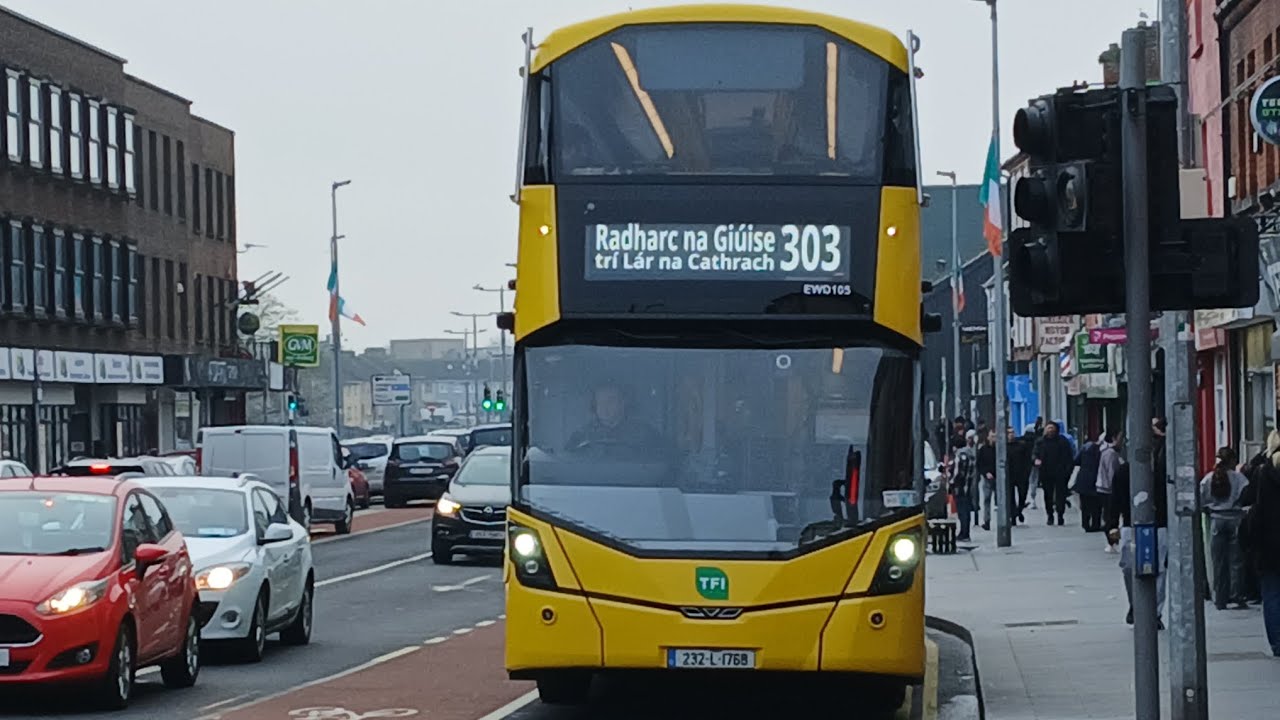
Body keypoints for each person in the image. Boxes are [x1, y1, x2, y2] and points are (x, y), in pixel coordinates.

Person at [1110, 449, 1167, 628]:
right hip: (1130, 525)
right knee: (1129, 568)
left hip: (1160, 525)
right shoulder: (1123, 472)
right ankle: (1136, 605)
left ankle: (1154, 613)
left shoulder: (1161, 472)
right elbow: (1114, 500)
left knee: (1159, 571)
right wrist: (1111, 525)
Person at [1242, 430, 1280, 656]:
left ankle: (1277, 643)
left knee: (1272, 594)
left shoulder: (1263, 473)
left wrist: (1250, 541)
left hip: (1269, 543)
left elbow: (1254, 508)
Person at [1200, 447, 1250, 611]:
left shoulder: (1208, 479)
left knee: (1218, 561)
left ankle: (1220, 598)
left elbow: (1201, 502)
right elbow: (1245, 497)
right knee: (1236, 561)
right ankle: (1237, 596)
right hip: (1235, 519)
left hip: (1216, 520)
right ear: (1232, 461)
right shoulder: (1239, 478)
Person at [565, 385, 663, 451]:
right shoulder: (581, 436)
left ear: (623, 403)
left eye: (610, 400)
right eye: (600, 401)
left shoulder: (645, 434)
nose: (604, 406)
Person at [1034, 420, 1075, 526]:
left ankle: (1060, 514)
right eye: (1048, 428)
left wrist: (1068, 470)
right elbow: (1035, 454)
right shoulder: (1040, 442)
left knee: (1061, 495)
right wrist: (1036, 460)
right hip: (1046, 472)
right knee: (1048, 495)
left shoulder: (1062, 441)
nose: (1050, 430)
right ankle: (1050, 515)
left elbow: (1069, 456)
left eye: (1052, 428)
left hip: (1060, 472)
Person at [1074, 433, 1104, 533]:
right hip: (1096, 479)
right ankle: (1095, 524)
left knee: (1085, 504)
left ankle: (1085, 524)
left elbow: (1076, 461)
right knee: (1096, 505)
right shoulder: (1102, 451)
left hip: (1083, 479)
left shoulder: (1084, 448)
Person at [951, 431, 977, 542]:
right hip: (968, 486)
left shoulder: (960, 456)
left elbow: (957, 473)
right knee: (966, 509)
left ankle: (964, 533)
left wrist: (952, 481)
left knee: (962, 511)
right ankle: (966, 532)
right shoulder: (970, 454)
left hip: (960, 487)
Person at [1006, 426, 1033, 526]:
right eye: (1009, 433)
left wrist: (1027, 472)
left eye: (1012, 432)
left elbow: (1027, 460)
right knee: (1010, 497)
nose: (1011, 434)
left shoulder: (1022, 445)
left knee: (1022, 495)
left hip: (1021, 475)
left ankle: (1019, 510)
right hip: (1009, 476)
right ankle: (1013, 516)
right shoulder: (1003, 447)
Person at [976, 430, 996, 531]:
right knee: (987, 499)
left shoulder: (1000, 449)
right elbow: (979, 464)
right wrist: (985, 473)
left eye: (995, 437)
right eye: (992, 436)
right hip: (987, 478)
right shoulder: (983, 449)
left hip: (999, 478)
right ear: (988, 437)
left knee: (1002, 501)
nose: (994, 439)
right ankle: (987, 521)